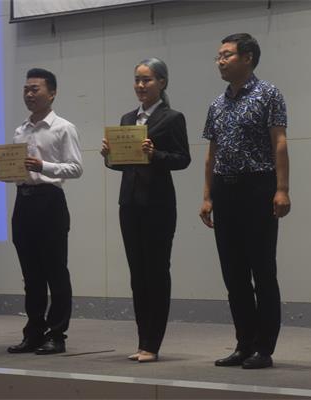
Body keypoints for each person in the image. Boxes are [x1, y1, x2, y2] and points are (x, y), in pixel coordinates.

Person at [199, 33, 291, 369]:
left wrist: (282, 189)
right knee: (234, 274)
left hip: (258, 187)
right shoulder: (217, 104)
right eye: (218, 56)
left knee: (262, 270)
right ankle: (244, 344)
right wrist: (207, 195)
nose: (220, 61)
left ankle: (264, 349)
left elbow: (279, 143)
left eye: (227, 55)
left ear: (248, 57)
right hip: (225, 190)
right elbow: (211, 153)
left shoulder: (269, 94)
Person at [101, 58, 190, 363]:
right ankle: (142, 341)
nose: (140, 85)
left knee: (156, 271)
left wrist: (156, 154)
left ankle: (153, 343)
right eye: (137, 80)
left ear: (162, 83)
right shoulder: (128, 118)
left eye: (147, 80)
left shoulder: (172, 117)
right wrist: (109, 156)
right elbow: (124, 164)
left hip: (158, 204)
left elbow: (182, 159)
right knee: (137, 274)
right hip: (129, 203)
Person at [0, 68, 83, 355]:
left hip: (50, 201)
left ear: (52, 93)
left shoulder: (63, 127)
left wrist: (44, 166)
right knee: (30, 275)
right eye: (26, 89)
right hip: (24, 201)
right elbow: (17, 173)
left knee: (56, 272)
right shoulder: (21, 130)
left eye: (35, 89)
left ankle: (57, 335)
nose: (29, 94)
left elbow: (76, 168)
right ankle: (33, 332)